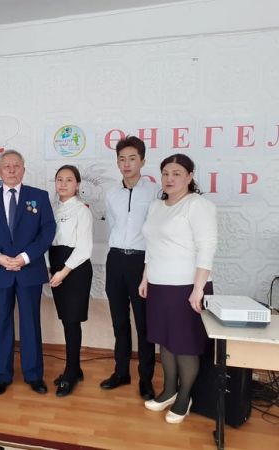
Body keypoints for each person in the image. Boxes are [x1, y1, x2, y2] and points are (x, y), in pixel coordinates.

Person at [140, 153, 217, 424]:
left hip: (187, 287)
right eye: (165, 173)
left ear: (190, 176)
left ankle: (185, 396)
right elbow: (151, 247)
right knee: (165, 341)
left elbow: (207, 248)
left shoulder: (198, 205)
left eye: (176, 173)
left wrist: (199, 289)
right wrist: (145, 277)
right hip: (159, 285)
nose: (169, 179)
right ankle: (169, 390)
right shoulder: (156, 206)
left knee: (185, 345)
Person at [0, 150, 56, 396]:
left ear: (23, 169)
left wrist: (25, 258)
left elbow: (47, 231)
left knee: (30, 323)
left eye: (16, 166)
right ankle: (2, 375)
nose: (11, 170)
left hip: (29, 270)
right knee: (1, 323)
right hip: (0, 271)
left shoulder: (39, 197)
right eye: (6, 166)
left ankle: (34, 374)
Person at [101, 136, 158, 401]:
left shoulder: (155, 192)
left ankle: (146, 379)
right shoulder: (112, 193)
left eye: (132, 158)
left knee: (144, 325)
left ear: (142, 161)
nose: (126, 164)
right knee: (119, 321)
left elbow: (155, 233)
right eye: (122, 159)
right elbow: (112, 226)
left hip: (141, 262)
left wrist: (148, 267)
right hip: (116, 260)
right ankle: (121, 372)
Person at [48, 165, 93, 397]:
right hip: (57, 266)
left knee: (72, 321)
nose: (63, 184)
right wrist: (50, 267)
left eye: (68, 180)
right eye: (59, 179)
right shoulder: (54, 209)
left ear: (77, 185)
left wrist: (63, 272)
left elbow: (84, 249)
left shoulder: (82, 210)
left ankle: (71, 372)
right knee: (66, 320)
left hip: (74, 269)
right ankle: (75, 368)